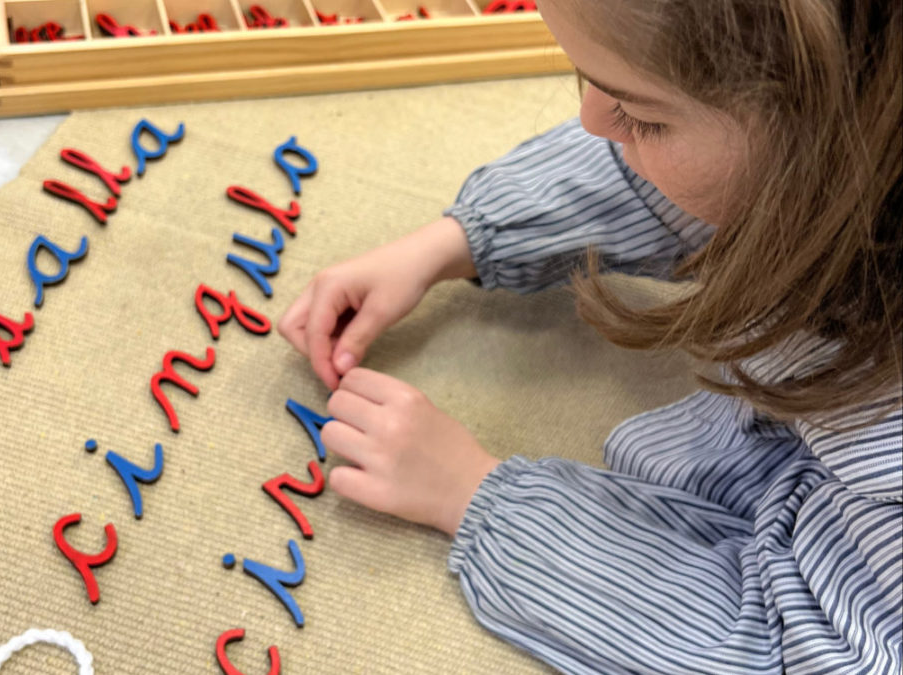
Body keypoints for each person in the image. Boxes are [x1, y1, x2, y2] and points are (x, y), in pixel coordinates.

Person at [278, 0, 901, 672]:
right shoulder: (835, 135)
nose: (590, 121)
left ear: (836, 136)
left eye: (641, 117)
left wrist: (472, 493)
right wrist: (454, 240)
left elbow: (794, 646)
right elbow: (689, 152)